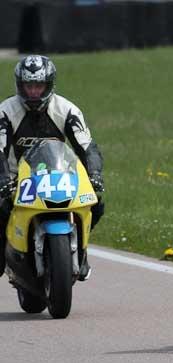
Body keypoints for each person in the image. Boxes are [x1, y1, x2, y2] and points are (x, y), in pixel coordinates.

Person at [0, 55, 104, 280]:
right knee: (1, 208)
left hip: (57, 172)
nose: (34, 92)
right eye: (29, 86)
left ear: (49, 85)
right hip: (16, 176)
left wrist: (94, 173)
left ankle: (82, 253)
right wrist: (3, 179)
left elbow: (87, 147)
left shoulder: (67, 110)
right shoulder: (6, 112)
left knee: (96, 204)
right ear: (20, 85)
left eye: (39, 86)